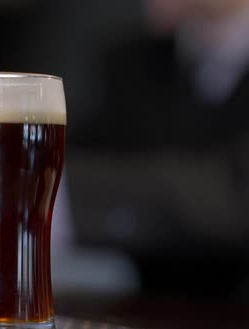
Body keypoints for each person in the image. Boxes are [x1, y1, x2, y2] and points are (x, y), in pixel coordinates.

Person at [70, 0, 249, 300]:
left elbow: (233, 194)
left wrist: (34, 193)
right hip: (137, 309)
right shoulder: (128, 61)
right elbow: (80, 156)